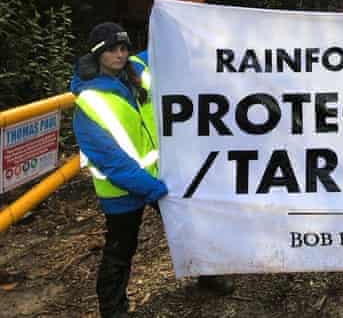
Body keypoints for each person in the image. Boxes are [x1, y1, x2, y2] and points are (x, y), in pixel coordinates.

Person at [71, 22, 233, 318]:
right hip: (123, 191)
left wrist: (178, 21)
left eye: (123, 48)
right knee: (120, 251)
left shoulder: (135, 70)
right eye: (111, 50)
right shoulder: (90, 103)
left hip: (162, 175)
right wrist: (152, 187)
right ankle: (113, 310)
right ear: (97, 55)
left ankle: (206, 274)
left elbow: (166, 50)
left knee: (190, 227)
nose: (120, 55)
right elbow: (113, 162)